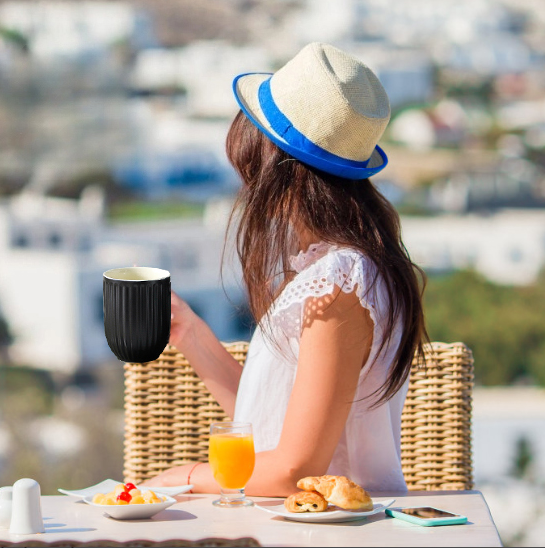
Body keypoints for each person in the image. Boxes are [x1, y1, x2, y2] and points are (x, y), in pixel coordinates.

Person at [142, 43, 428, 497]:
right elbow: (279, 425)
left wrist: (187, 476)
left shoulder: (341, 282)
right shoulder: (340, 267)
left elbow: (297, 469)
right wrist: (191, 335)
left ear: (280, 171)